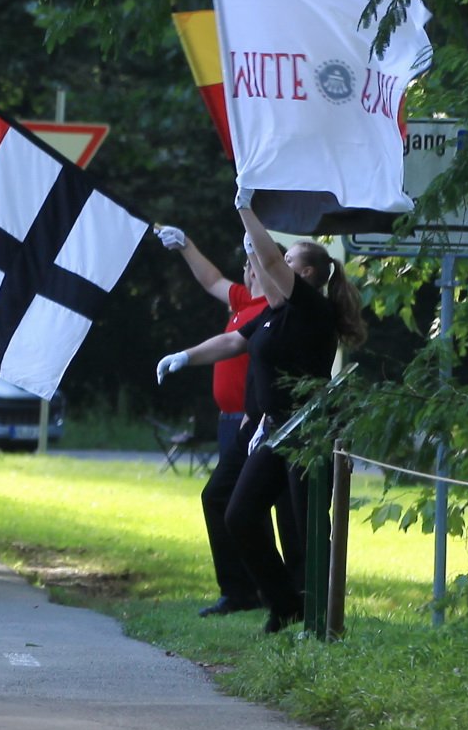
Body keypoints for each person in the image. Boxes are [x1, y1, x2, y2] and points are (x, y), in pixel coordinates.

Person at [155, 190, 367, 632]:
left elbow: (268, 261)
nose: (276, 265)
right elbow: (233, 340)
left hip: (307, 431)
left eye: (288, 261)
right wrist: (185, 356)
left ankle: (321, 616)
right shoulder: (274, 313)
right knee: (239, 514)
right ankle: (284, 603)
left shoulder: (311, 308)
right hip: (275, 431)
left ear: (305, 274)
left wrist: (245, 209)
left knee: (305, 526)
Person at [152, 224, 279, 618]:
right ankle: (251, 588)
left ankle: (252, 589)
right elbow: (211, 280)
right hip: (230, 420)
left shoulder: (272, 306)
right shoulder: (243, 301)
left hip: (250, 421)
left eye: (251, 263)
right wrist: (186, 245)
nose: (247, 269)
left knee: (238, 503)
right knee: (238, 505)